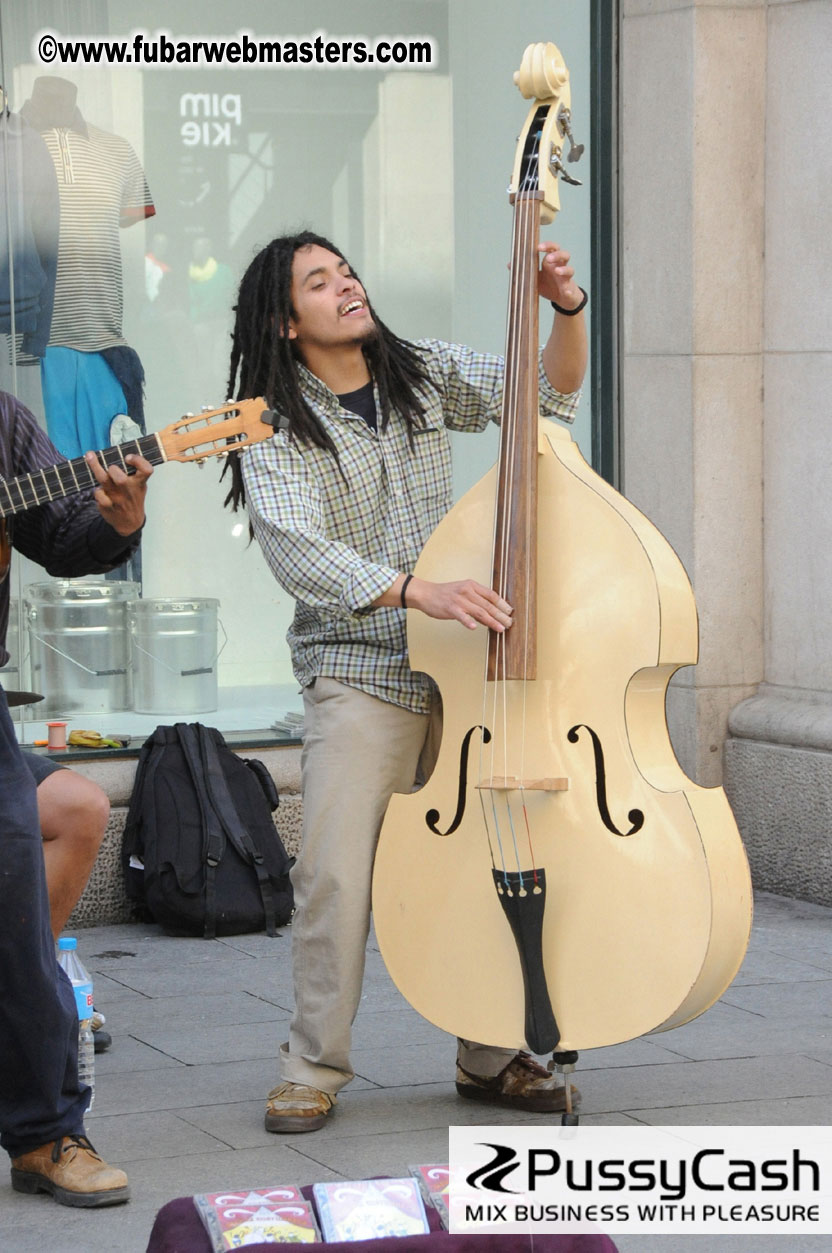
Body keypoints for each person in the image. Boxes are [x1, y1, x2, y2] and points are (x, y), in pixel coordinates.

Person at [224, 230, 588, 1133]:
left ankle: (493, 1056)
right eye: (319, 281)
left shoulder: (416, 370)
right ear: (284, 316)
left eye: (346, 269)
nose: (346, 284)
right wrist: (419, 590)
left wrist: (564, 307)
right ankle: (312, 1065)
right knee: (337, 874)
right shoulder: (265, 418)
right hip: (360, 669)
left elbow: (545, 395)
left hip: (459, 670)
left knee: (485, 860)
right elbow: (300, 550)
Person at [0, 388, 152, 1205]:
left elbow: (61, 533)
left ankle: (45, 1134)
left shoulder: (2, 417)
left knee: (16, 918)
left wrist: (117, 522)